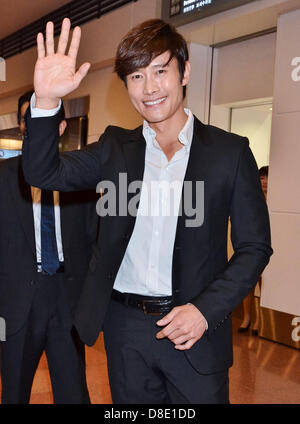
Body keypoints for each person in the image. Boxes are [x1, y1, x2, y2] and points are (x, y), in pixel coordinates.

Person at [22, 18, 273, 404]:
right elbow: (43, 171)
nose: (150, 87)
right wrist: (46, 102)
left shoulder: (229, 152)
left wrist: (205, 311)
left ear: (184, 71)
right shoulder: (114, 148)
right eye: (137, 76)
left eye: (160, 71)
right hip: (127, 330)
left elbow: (255, 247)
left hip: (195, 329)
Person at [0, 90, 99, 404]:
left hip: (67, 301)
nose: (35, 124)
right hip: (17, 302)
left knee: (73, 394)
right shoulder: (2, 176)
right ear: (21, 124)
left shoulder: (81, 177)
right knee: (14, 394)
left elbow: (93, 240)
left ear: (61, 127)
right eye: (29, 118)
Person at [238, 166, 269, 335]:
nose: (264, 181)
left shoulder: (278, 202)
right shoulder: (252, 199)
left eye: (267, 177)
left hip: (271, 251)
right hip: (252, 249)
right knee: (247, 285)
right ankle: (246, 319)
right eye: (261, 177)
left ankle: (260, 321)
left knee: (265, 287)